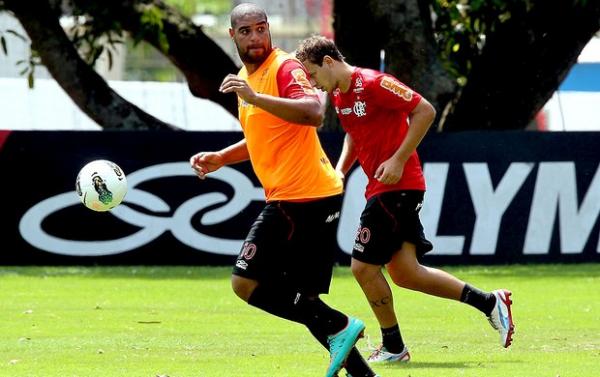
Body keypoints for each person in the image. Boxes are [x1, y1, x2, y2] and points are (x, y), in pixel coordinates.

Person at [295, 35, 515, 364]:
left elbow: (424, 110)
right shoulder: (340, 96)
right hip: (383, 187)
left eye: (312, 74)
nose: (313, 83)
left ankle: (394, 347)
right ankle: (489, 302)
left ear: (328, 61)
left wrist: (399, 158)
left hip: (398, 187)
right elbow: (354, 135)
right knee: (406, 273)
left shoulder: (373, 82)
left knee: (363, 267)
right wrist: (340, 171)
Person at [189, 5, 379, 377]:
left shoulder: (285, 67)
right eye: (246, 31)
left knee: (245, 282)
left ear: (269, 30)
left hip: (300, 198)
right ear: (233, 36)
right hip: (311, 195)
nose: (255, 37)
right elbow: (261, 135)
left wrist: (256, 98)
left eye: (261, 29)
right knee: (303, 301)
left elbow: (312, 112)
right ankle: (362, 373)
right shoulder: (246, 78)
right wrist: (222, 158)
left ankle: (340, 324)